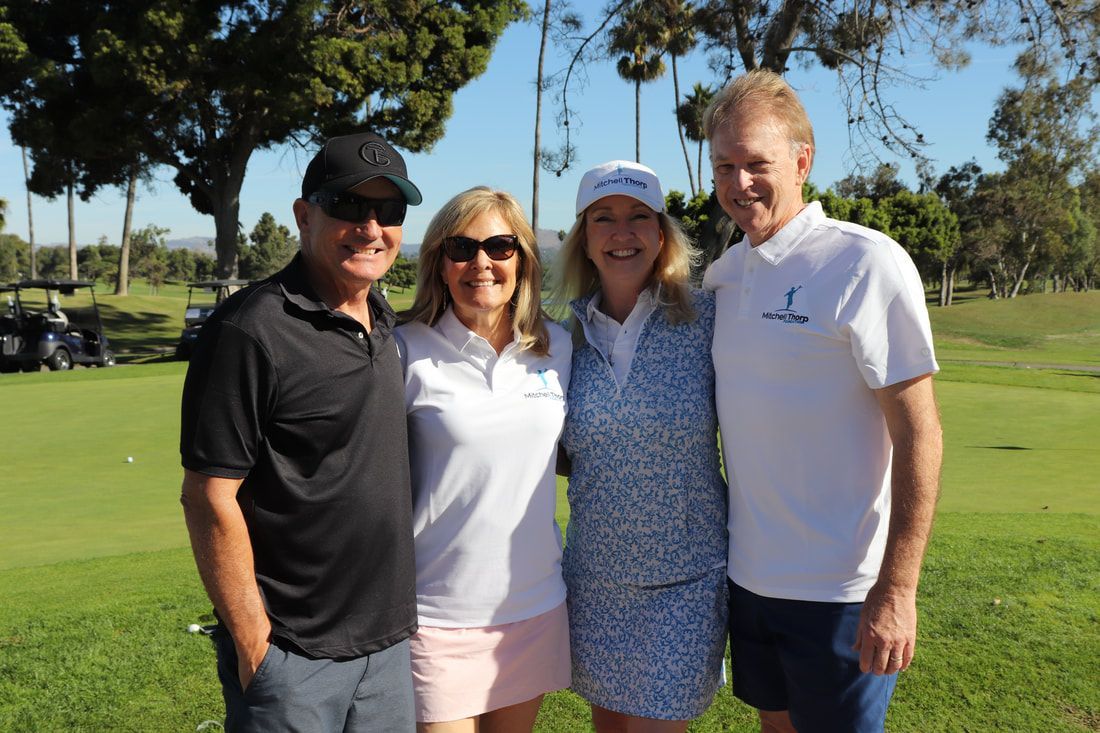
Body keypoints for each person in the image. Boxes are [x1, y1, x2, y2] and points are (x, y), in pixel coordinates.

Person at [702, 70, 944, 733]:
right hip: (749, 583)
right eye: (725, 165)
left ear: (802, 161)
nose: (738, 182)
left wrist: (897, 588)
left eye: (757, 163)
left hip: (841, 594)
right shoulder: (723, 277)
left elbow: (920, 432)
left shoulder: (866, 263)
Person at [179, 131, 422, 733]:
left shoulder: (386, 319)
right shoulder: (249, 331)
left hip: (388, 647)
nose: (370, 227)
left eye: (388, 212)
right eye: (348, 206)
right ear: (304, 215)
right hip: (292, 652)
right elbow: (209, 495)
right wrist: (254, 641)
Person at [557, 160, 729, 732]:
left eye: (638, 217)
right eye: (603, 218)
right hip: (595, 579)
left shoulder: (709, 319)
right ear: (584, 240)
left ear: (661, 234)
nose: (621, 232)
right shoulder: (563, 338)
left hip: (687, 579)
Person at [396, 187, 572, 733]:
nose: (481, 263)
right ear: (439, 263)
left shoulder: (560, 347)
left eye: (500, 246)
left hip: (533, 606)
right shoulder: (404, 351)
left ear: (522, 260)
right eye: (461, 248)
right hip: (436, 616)